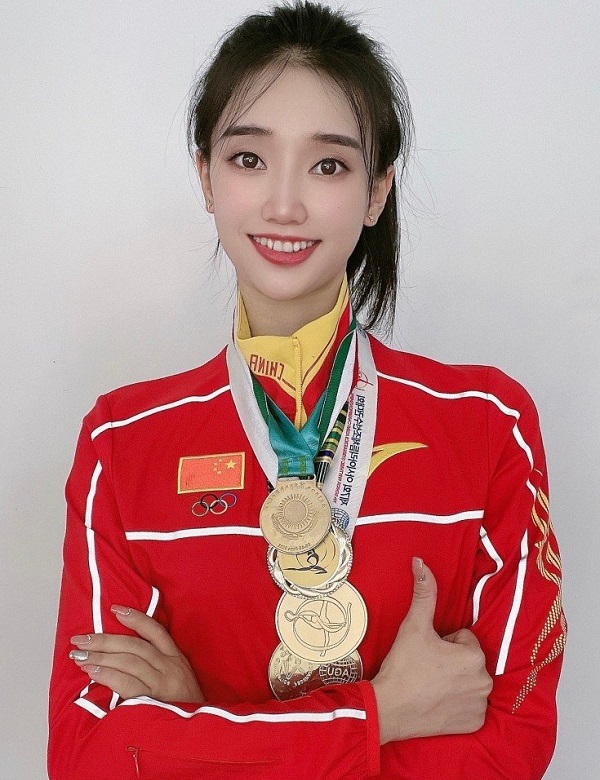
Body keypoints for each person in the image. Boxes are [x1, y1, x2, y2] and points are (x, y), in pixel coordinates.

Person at [48, 2, 566, 777]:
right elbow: (90, 756)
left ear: (377, 191)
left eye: (329, 165)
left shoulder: (488, 425)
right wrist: (385, 713)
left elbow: (510, 748)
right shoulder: (122, 443)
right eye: (248, 158)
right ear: (206, 176)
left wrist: (199, 723)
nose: (284, 204)